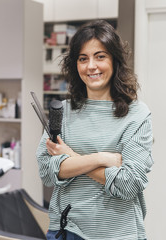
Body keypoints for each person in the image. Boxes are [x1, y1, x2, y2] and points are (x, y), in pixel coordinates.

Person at [36, 20, 153, 240]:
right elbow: (46, 171)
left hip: (118, 233)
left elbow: (129, 184)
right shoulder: (64, 111)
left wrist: (71, 158)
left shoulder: (137, 115)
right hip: (67, 229)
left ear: (114, 60)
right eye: (83, 58)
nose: (91, 66)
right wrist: (103, 158)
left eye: (100, 56)